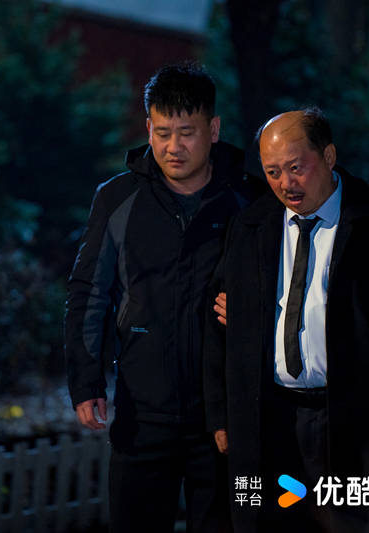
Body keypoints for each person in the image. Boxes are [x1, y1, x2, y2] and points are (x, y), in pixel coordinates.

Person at [203, 107, 369, 532]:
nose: (286, 183)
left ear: (329, 156)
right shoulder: (250, 227)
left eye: (296, 168)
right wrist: (221, 415)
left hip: (362, 419)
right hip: (273, 422)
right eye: (272, 172)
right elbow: (217, 324)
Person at [64, 63, 265, 533]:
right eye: (162, 132)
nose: (174, 147)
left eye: (187, 133)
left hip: (223, 416)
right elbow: (89, 290)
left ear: (213, 130)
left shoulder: (250, 201)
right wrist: (86, 380)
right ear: (148, 128)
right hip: (142, 411)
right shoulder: (117, 198)